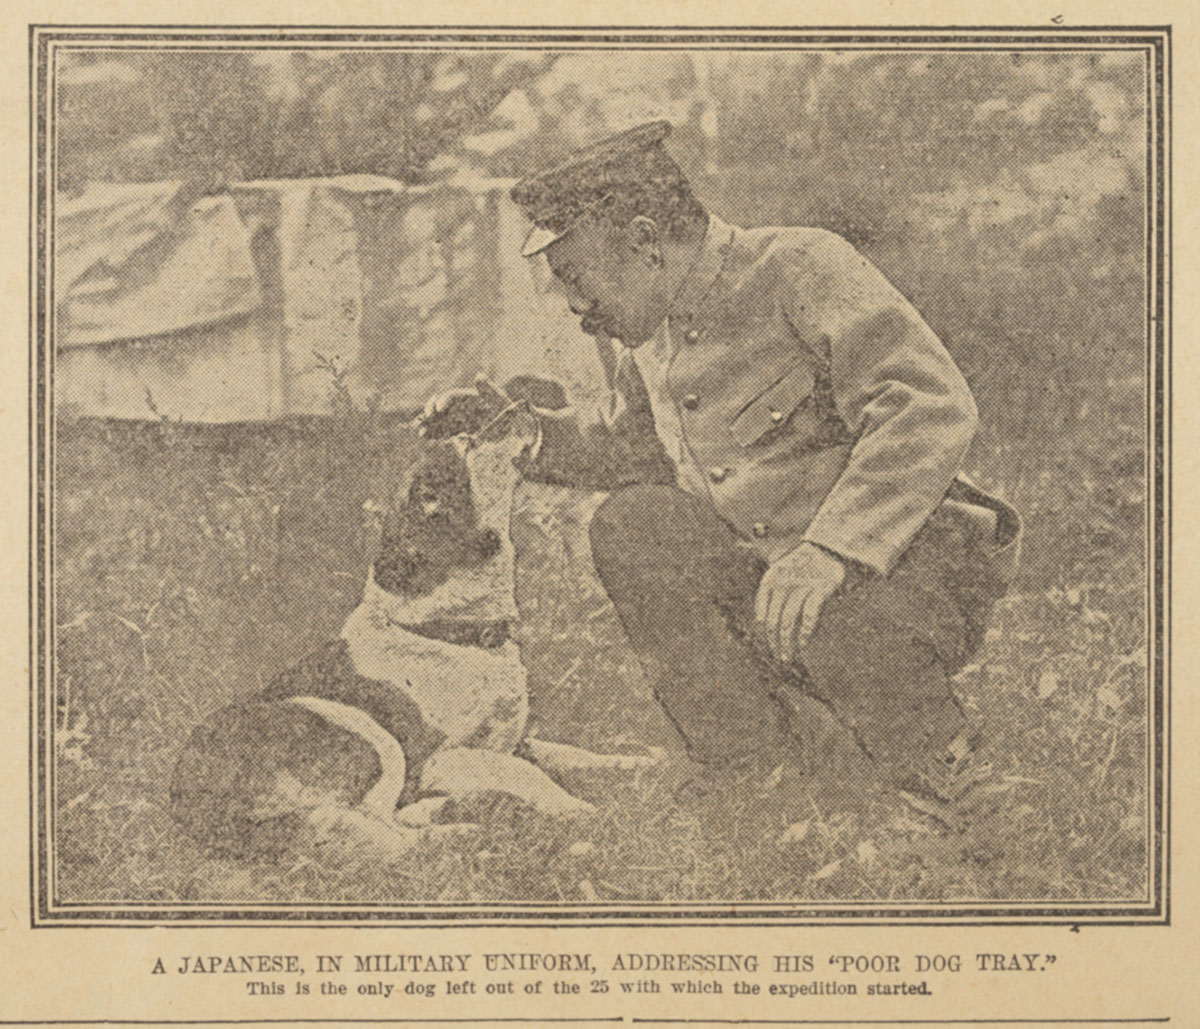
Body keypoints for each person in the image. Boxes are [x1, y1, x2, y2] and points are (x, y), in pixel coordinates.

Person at [433, 121, 1021, 826]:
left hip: (903, 574)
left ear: (647, 242)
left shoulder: (799, 265)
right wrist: (518, 432)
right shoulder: (649, 334)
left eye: (577, 278)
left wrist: (830, 550)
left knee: (848, 623)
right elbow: (634, 453)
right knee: (634, 522)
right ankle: (751, 770)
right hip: (779, 583)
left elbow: (925, 405)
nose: (574, 306)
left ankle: (942, 765)